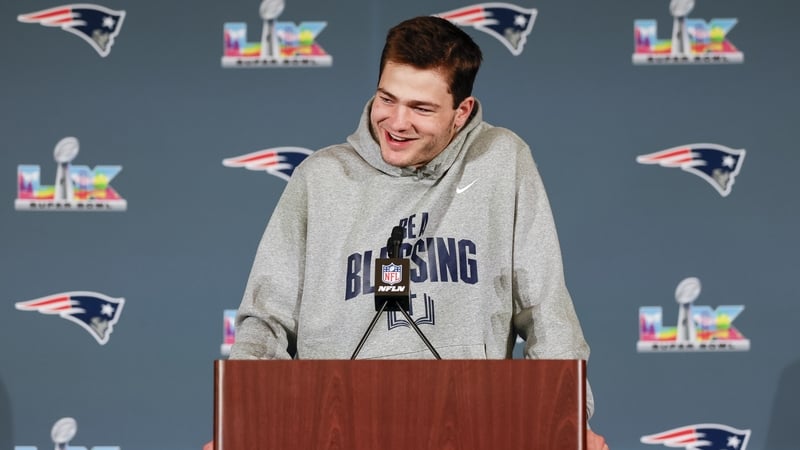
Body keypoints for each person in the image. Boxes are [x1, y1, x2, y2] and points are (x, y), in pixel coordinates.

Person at [215, 15, 608, 450]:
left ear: (463, 111)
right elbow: (266, 321)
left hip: (469, 427)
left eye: (420, 109)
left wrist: (568, 421)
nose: (397, 123)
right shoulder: (319, 178)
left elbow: (544, 310)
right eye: (387, 98)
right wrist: (240, 420)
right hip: (332, 429)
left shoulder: (501, 161)